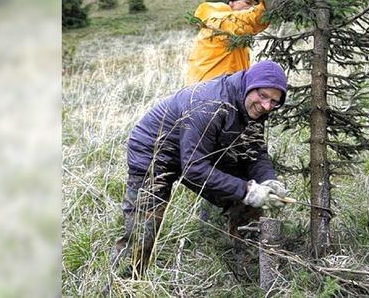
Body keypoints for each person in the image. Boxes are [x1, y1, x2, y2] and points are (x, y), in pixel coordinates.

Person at [110, 60, 290, 278]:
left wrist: (269, 181)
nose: (267, 106)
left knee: (247, 200)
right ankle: (124, 281)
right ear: (250, 85)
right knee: (142, 229)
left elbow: (255, 151)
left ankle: (249, 271)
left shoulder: (253, 106)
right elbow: (194, 169)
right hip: (154, 150)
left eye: (274, 102)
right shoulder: (210, 104)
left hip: (202, 148)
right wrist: (247, 190)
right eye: (263, 96)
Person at [185, 0, 282, 85]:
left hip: (222, 88)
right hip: (210, 89)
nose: (252, 7)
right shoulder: (218, 21)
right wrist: (263, 9)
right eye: (248, 3)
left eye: (255, 5)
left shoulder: (236, 33)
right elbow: (244, 21)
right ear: (231, 3)